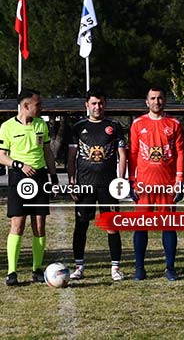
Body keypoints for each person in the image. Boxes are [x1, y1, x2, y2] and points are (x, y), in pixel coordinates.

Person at [67, 88, 127, 281]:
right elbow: (71, 157)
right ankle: (79, 267)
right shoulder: (78, 127)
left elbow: (122, 155)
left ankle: (115, 268)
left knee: (112, 226)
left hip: (108, 186)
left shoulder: (114, 126)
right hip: (85, 186)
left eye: (100, 103)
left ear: (105, 104)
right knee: (81, 225)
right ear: (87, 105)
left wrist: (120, 180)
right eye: (93, 103)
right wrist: (72, 181)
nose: (97, 107)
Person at [0, 89, 58, 286]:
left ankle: (37, 269)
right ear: (26, 105)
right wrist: (19, 165)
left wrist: (53, 177)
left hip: (40, 177)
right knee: (18, 224)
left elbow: (47, 152)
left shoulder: (41, 125)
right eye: (38, 104)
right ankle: (12, 272)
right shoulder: (7, 127)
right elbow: (1, 156)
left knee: (39, 224)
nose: (41, 107)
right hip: (19, 178)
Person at [128, 86, 184, 281]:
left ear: (165, 100)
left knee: (168, 226)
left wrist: (179, 180)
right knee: (141, 226)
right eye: (152, 98)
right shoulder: (138, 124)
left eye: (160, 98)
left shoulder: (174, 124)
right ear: (147, 102)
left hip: (167, 184)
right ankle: (139, 268)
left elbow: (180, 153)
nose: (156, 101)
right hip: (144, 185)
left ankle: (170, 267)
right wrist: (132, 180)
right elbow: (133, 153)